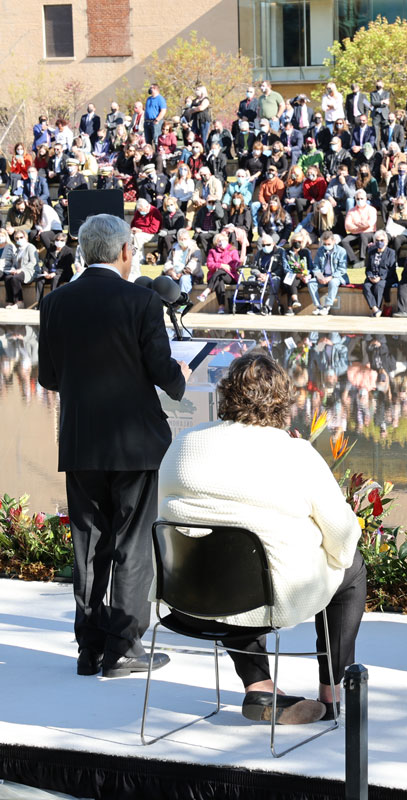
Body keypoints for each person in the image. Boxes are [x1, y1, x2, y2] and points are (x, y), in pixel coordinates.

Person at [157, 349, 364, 724]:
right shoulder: (294, 453)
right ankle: (333, 693)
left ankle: (259, 685)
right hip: (264, 600)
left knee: (226, 558)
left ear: (226, 396)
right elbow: (344, 537)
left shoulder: (182, 444)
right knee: (351, 569)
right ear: (282, 403)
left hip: (187, 595)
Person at [37, 214, 189, 678]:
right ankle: (124, 647)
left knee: (89, 545)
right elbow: (164, 371)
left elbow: (48, 377)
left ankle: (90, 648)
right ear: (124, 251)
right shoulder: (141, 301)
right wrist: (179, 379)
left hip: (82, 440)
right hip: (135, 442)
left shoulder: (55, 302)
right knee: (131, 543)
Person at [309, 230, 348, 315]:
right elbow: (316, 266)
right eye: (325, 244)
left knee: (333, 282)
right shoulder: (320, 250)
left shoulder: (341, 251)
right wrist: (319, 277)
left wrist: (330, 277)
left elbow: (342, 269)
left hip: (337, 277)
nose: (326, 246)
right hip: (323, 276)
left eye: (329, 244)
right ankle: (318, 306)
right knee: (311, 283)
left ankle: (327, 306)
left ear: (334, 241)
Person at [361, 231, 396, 317]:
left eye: (382, 240)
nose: (379, 242)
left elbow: (391, 269)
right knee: (366, 286)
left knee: (379, 285)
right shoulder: (371, 251)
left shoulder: (391, 252)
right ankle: (375, 309)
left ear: (386, 242)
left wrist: (380, 278)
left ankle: (377, 308)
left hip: (386, 277)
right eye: (377, 240)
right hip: (372, 277)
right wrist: (370, 276)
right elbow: (368, 267)